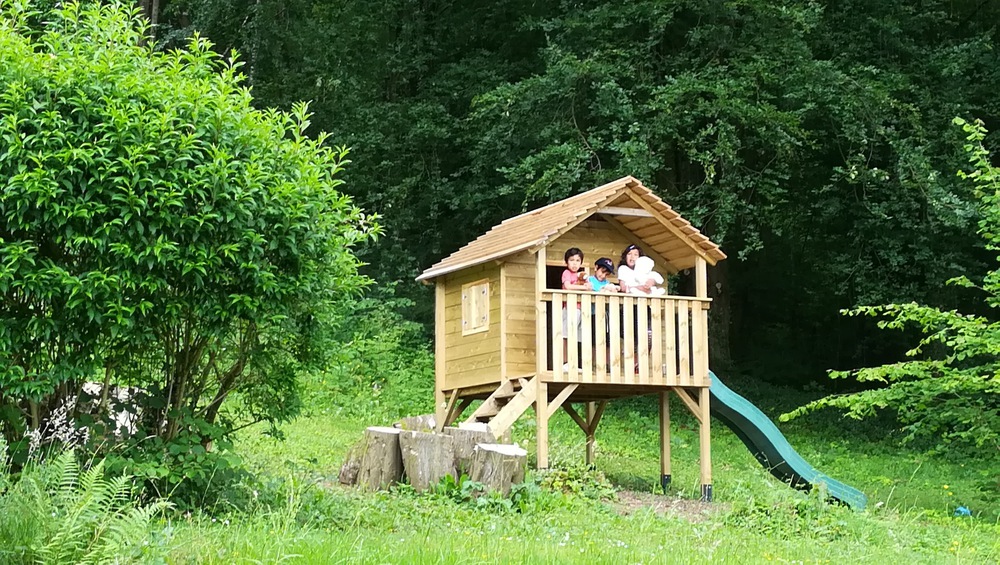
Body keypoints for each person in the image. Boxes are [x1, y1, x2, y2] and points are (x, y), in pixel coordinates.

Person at [560, 248, 589, 369]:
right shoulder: (566, 273)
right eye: (571, 260)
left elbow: (589, 286)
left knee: (578, 336)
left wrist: (587, 286)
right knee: (566, 335)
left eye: (578, 260)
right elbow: (567, 286)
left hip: (580, 309)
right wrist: (584, 288)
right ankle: (565, 362)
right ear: (567, 262)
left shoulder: (582, 275)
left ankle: (576, 363)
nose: (575, 263)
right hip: (569, 308)